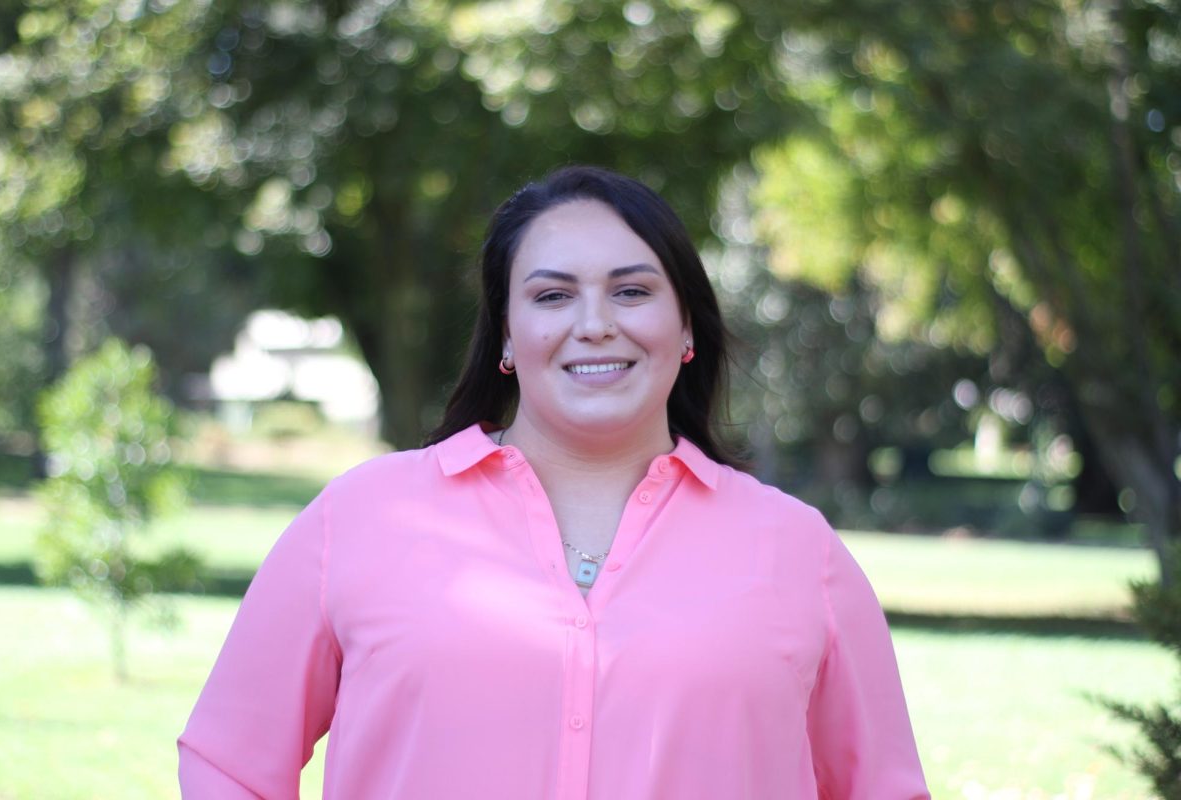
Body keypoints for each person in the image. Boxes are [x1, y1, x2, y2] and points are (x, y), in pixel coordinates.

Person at [178, 166, 930, 798]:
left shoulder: (799, 552)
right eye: (551, 295)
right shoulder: (362, 517)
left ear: (689, 327)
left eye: (632, 291)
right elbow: (228, 763)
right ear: (507, 333)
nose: (595, 323)